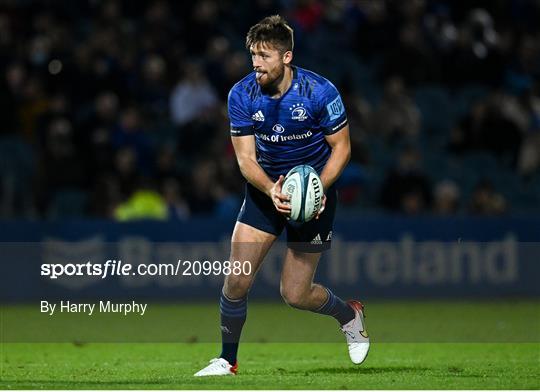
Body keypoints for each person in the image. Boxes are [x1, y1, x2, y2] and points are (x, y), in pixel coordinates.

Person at [194, 15, 369, 377]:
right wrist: (271, 189)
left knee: (295, 294)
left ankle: (349, 315)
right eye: (252, 55)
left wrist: (320, 187)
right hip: (265, 190)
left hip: (312, 196)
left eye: (264, 55)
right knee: (237, 277)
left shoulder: (320, 92)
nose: (255, 62)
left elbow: (342, 150)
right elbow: (245, 159)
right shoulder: (241, 94)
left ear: (286, 57)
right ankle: (228, 360)